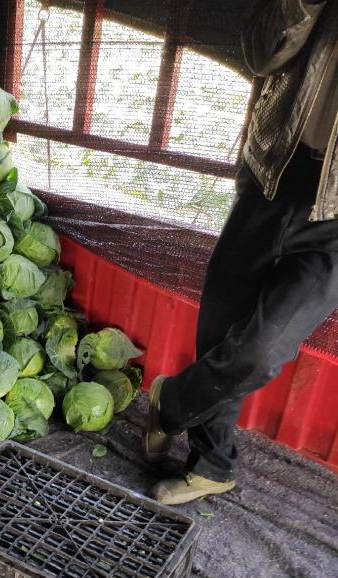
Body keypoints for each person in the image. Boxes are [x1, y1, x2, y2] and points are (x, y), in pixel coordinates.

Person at [143, 0, 338, 505]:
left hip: (335, 223)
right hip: (274, 173)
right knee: (221, 326)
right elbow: (259, 54)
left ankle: (172, 401)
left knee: (262, 349)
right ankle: (213, 465)